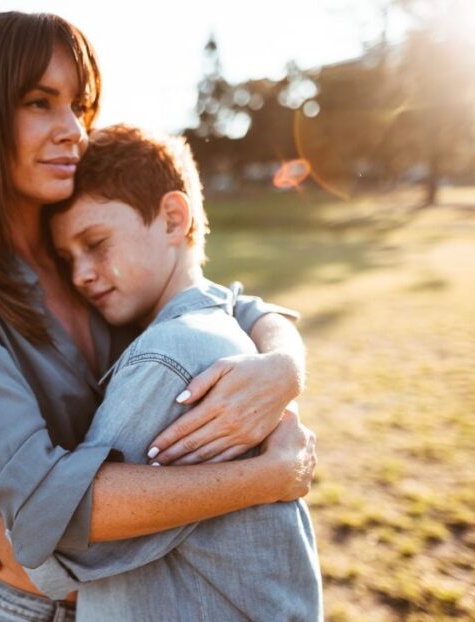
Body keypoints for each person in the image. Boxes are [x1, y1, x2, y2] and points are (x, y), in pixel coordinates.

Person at [0, 12, 314, 622]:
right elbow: (40, 500)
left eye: (78, 105)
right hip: (13, 604)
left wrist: (284, 362)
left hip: (130, 597)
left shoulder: (83, 244)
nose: (73, 131)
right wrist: (271, 477)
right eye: (41, 102)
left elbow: (226, 302)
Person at [16, 123, 322, 620]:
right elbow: (239, 300)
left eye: (95, 243)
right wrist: (287, 357)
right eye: (67, 259)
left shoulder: (168, 359)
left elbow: (63, 541)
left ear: (173, 219)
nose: (81, 274)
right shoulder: (217, 327)